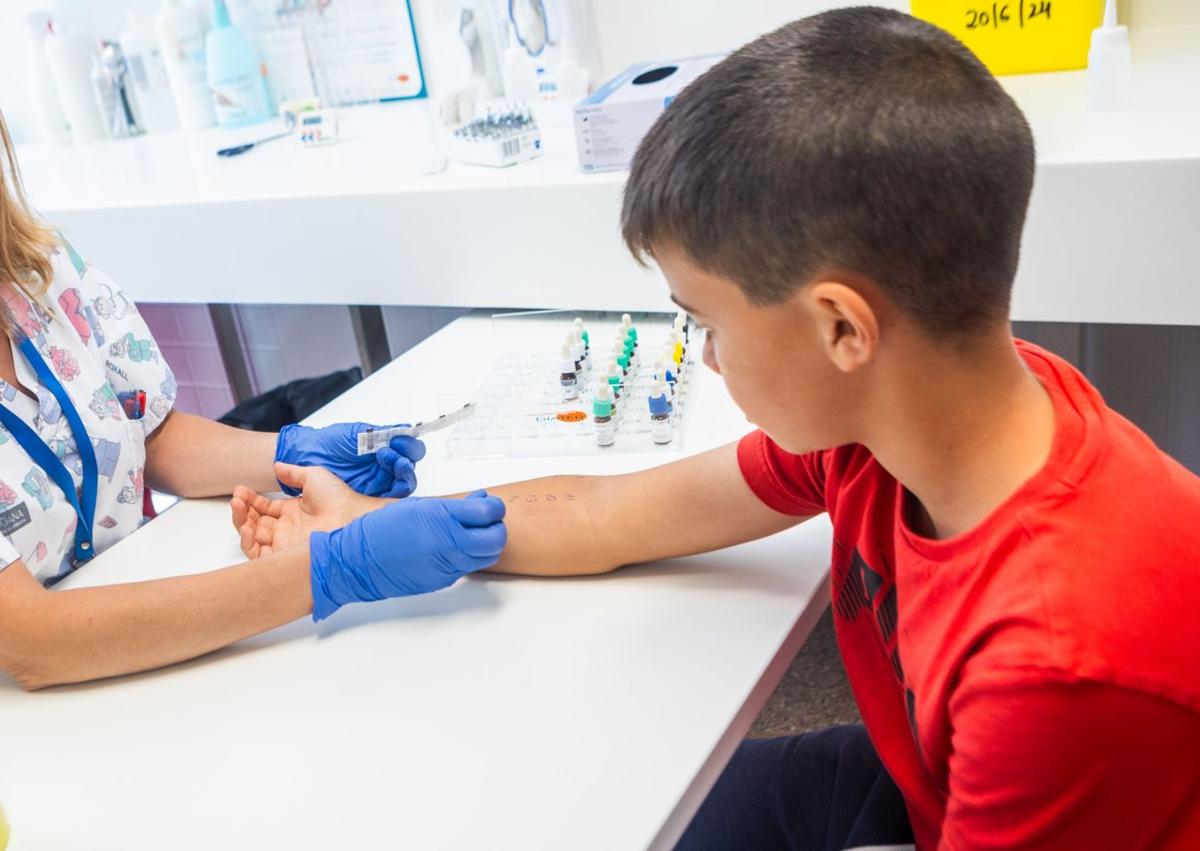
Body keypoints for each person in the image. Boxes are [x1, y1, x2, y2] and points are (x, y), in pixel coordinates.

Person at [234, 8, 1200, 849]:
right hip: (919, 781)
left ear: (839, 328)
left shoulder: (1055, 666)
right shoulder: (917, 414)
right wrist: (369, 531)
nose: (705, 357)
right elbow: (614, 513)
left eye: (706, 321)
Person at [0, 111, 508, 691]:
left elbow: (146, 436)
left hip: (162, 636)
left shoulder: (40, 270)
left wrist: (293, 453)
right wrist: (333, 570)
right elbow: (33, 645)